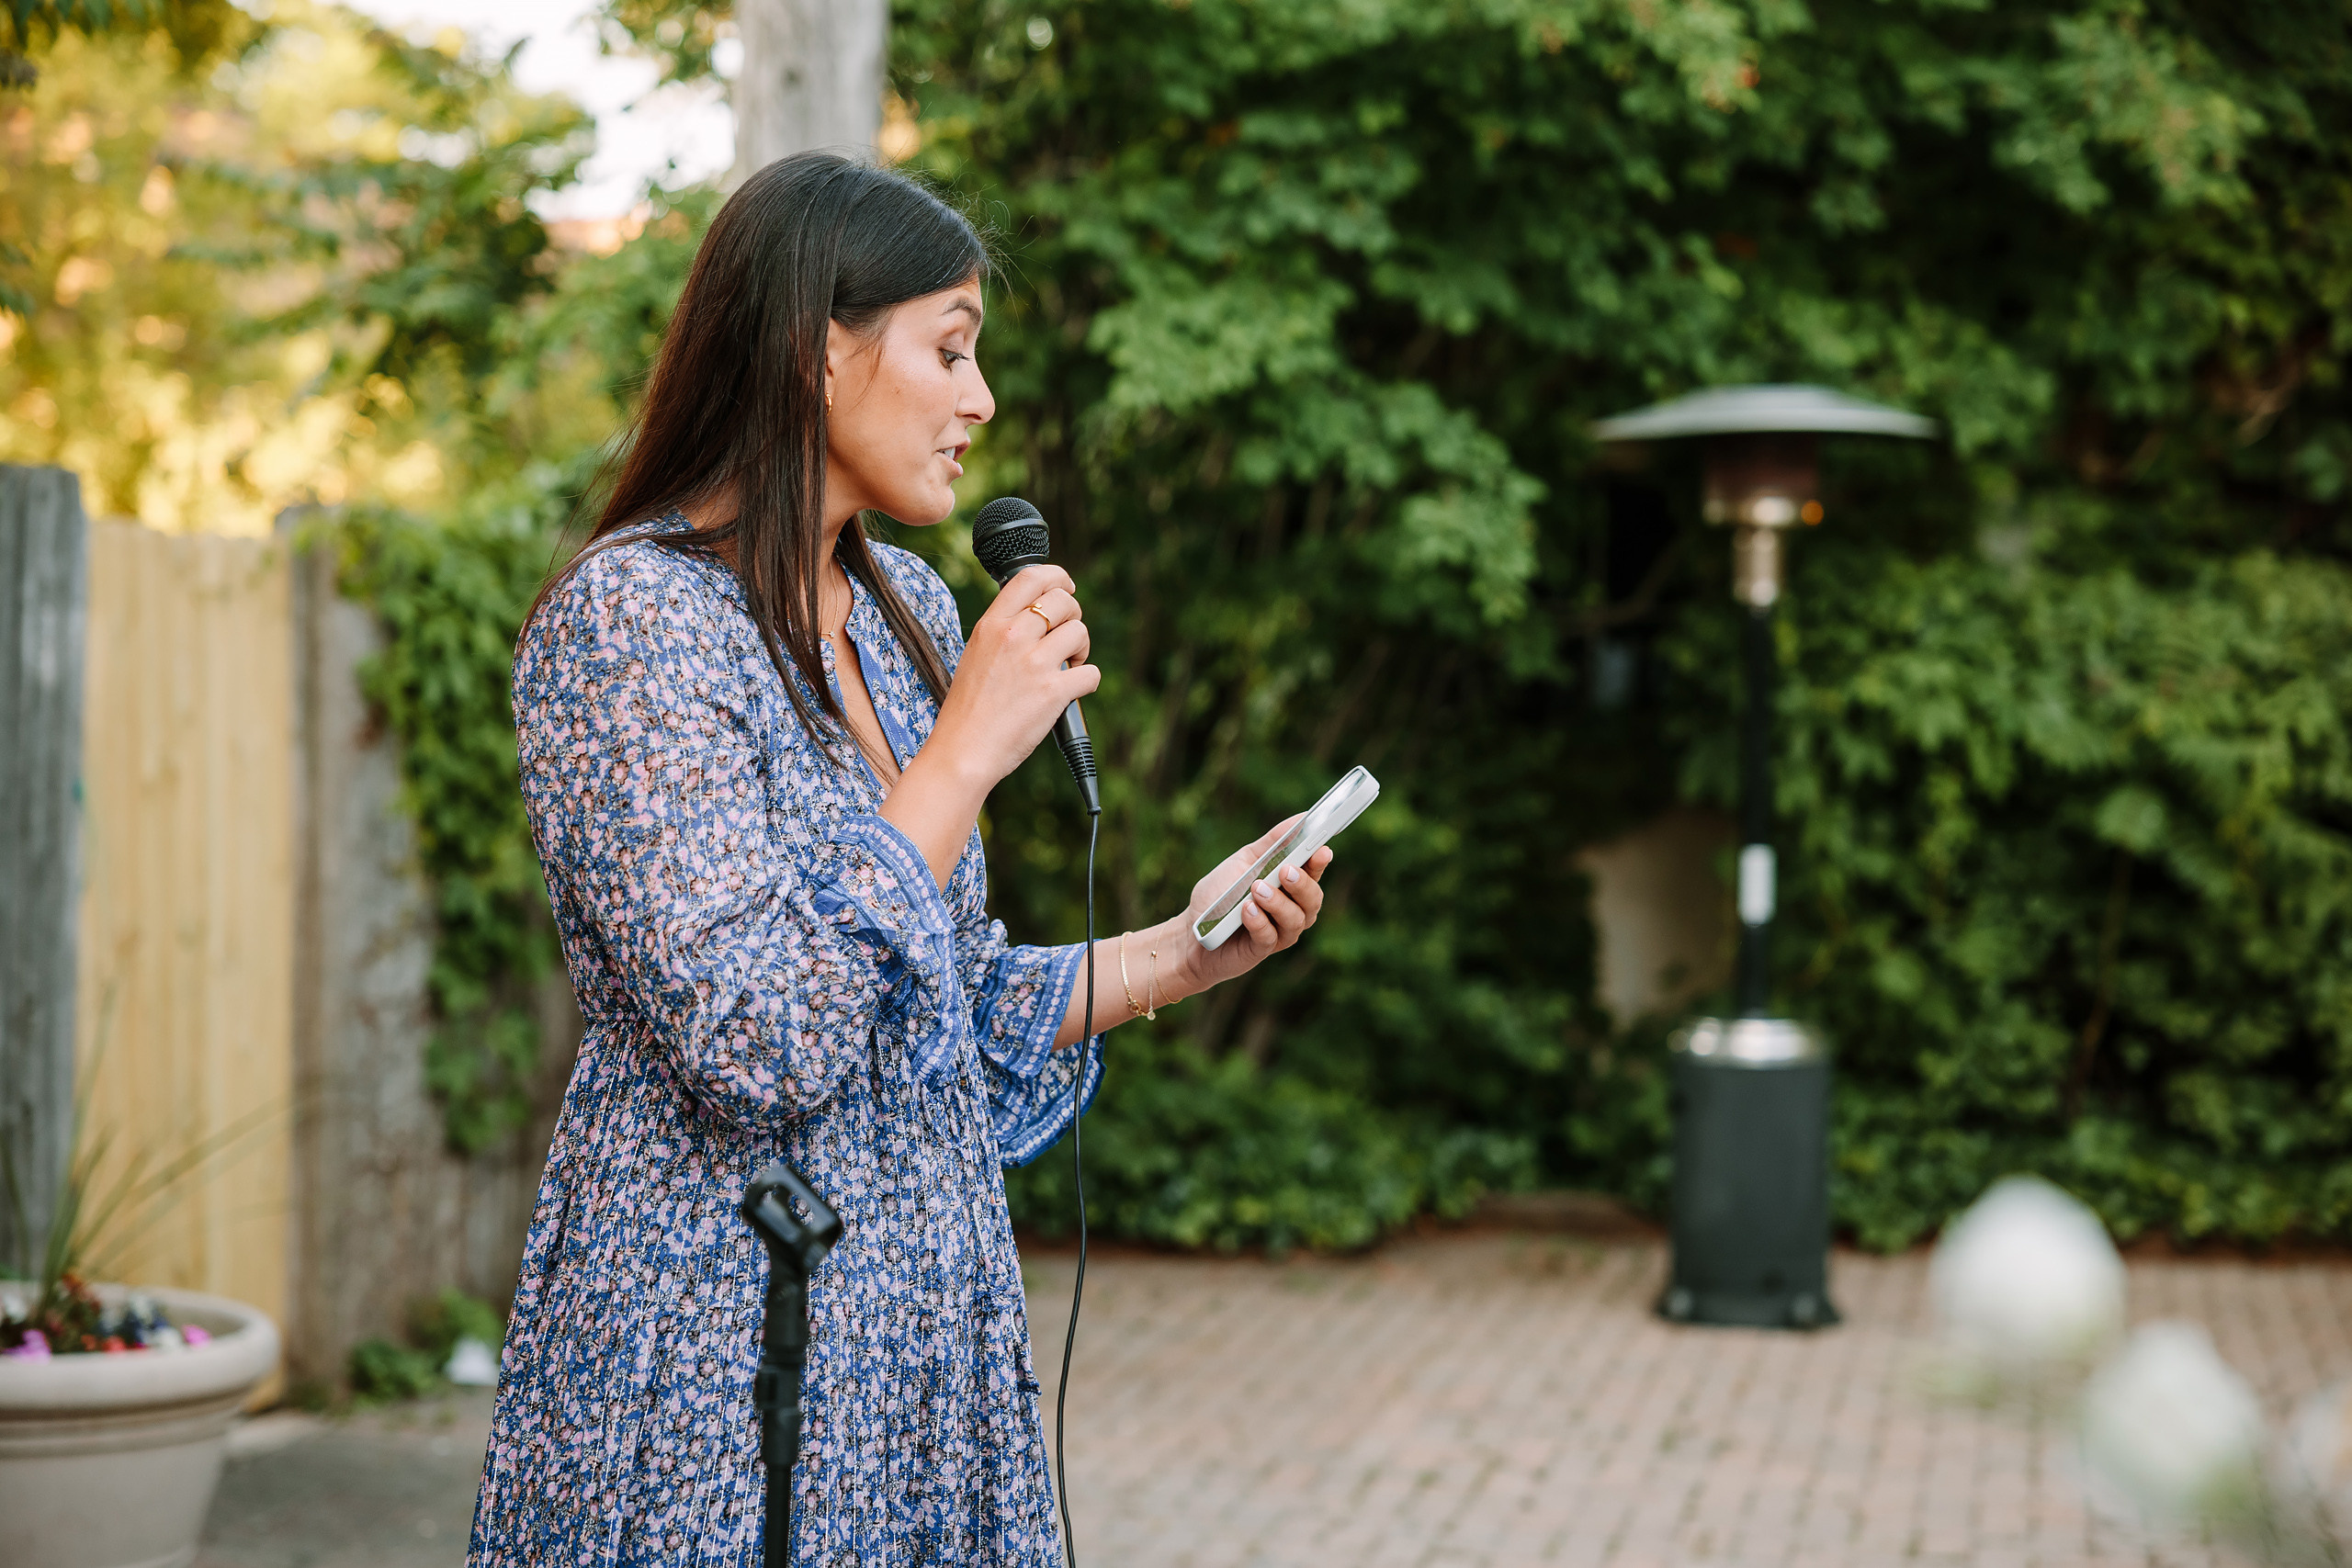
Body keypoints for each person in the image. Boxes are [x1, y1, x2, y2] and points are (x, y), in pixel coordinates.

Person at [467, 152, 1336, 1566]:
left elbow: (941, 1010)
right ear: (819, 351)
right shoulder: (629, 628)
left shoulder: (905, 612)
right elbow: (760, 1037)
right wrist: (962, 756)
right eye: (950, 349)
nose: (981, 401)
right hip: (724, 1376)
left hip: (930, 1368)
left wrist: (1183, 949)